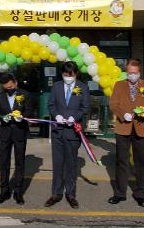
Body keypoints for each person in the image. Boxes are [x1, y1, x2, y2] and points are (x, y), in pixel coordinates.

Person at [108, 59, 144, 207]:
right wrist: (122, 114)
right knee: (121, 161)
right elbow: (113, 104)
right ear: (126, 72)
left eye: (135, 73)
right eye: (129, 73)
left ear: (139, 73)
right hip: (123, 128)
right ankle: (120, 193)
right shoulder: (119, 85)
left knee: (141, 162)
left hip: (141, 128)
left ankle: (140, 194)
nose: (132, 75)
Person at [45, 61, 90, 209]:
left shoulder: (83, 87)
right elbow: (51, 104)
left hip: (72, 132)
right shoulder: (56, 86)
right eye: (65, 74)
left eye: (70, 75)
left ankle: (70, 194)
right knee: (57, 164)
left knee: (71, 165)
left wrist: (74, 117)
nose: (67, 77)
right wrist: (56, 115)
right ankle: (56, 194)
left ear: (75, 74)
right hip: (58, 131)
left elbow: (85, 107)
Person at [0, 72, 35, 205]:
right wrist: (3, 118)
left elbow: (30, 111)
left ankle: (18, 192)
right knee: (4, 162)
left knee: (19, 162)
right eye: (6, 87)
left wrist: (22, 117)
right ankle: (4, 191)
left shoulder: (25, 94)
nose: (9, 89)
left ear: (15, 82)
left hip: (19, 131)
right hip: (5, 132)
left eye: (11, 86)